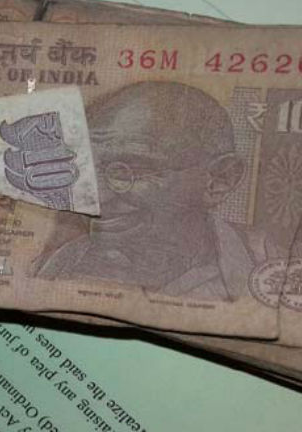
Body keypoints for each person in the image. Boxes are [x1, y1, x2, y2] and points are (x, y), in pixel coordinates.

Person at [35, 81, 253, 301]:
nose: (98, 197)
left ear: (218, 179)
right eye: (85, 167)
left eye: (132, 169)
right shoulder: (51, 266)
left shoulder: (260, 268)